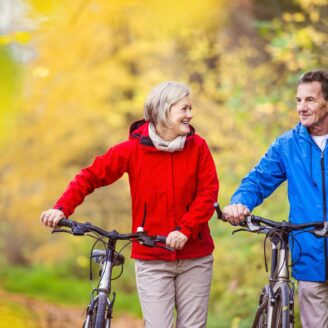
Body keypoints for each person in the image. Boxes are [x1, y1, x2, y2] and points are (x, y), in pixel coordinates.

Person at [40, 81, 219, 328]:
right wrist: (61, 208)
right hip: (152, 257)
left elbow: (208, 194)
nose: (190, 115)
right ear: (163, 110)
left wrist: (185, 229)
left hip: (195, 257)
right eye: (184, 109)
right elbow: (91, 176)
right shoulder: (133, 150)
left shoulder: (197, 147)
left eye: (190, 108)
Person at [222, 69, 328, 328]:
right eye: (298, 100)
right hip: (310, 255)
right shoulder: (287, 145)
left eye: (310, 100)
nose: (302, 107)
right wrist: (240, 203)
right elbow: (257, 180)